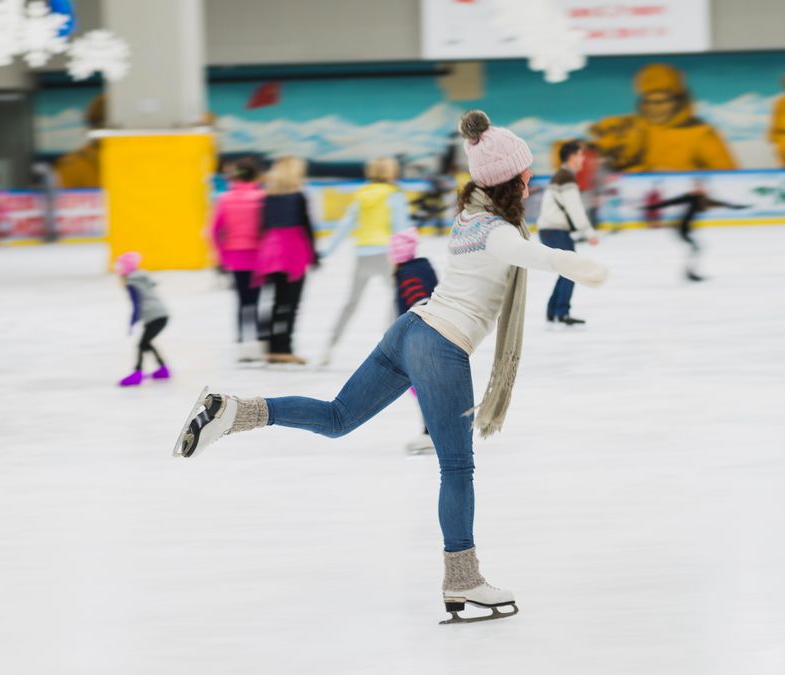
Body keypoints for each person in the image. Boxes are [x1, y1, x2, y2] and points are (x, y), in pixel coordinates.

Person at [171, 110, 609, 624]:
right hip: (440, 345)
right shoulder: (494, 229)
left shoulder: (470, 214)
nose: (531, 179)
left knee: (338, 418)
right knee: (457, 468)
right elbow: (523, 252)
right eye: (525, 172)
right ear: (511, 180)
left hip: (409, 331)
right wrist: (573, 264)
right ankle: (464, 578)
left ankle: (233, 410)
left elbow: (512, 245)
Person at [320, 157, 412, 366]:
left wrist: (326, 251)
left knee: (351, 303)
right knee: (398, 298)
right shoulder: (394, 196)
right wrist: (408, 256)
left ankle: (329, 347)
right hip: (385, 255)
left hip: (363, 255)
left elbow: (345, 225)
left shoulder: (361, 195)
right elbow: (402, 227)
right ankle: (393, 347)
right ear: (391, 173)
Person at [588, 63, 736, 172]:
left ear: (678, 101)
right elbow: (588, 154)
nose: (653, 107)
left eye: (660, 102)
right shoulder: (629, 127)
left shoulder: (701, 134)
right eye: (647, 101)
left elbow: (728, 177)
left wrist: (675, 177)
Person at [255, 156, 317, 365]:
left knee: (274, 302)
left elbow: (261, 226)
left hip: (270, 251)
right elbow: (307, 227)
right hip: (293, 251)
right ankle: (284, 348)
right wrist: (314, 254)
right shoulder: (298, 197)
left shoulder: (267, 197)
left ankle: (271, 346)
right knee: (289, 304)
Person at [535, 141, 600, 326]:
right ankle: (561, 313)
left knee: (566, 271)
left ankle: (553, 311)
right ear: (572, 157)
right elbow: (575, 208)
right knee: (571, 270)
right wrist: (588, 232)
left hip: (549, 230)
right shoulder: (566, 178)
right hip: (555, 230)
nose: (583, 159)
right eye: (580, 155)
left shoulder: (560, 176)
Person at [389, 228, 441, 454]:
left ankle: (433, 432)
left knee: (423, 386)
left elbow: (419, 302)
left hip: (421, 338)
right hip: (434, 333)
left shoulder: (407, 275)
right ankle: (435, 429)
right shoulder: (423, 267)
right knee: (424, 386)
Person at [210, 158, 266, 363]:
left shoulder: (224, 199)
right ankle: (259, 340)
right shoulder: (261, 197)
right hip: (258, 257)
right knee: (257, 300)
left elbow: (215, 231)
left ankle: (242, 341)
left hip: (235, 257)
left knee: (242, 301)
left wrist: (222, 255)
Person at [646, 181, 747, 282]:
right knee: (696, 248)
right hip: (681, 228)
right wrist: (651, 207)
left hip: (685, 228)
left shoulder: (704, 199)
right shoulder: (690, 197)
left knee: (696, 249)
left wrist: (737, 207)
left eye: (700, 187)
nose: (698, 189)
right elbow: (670, 202)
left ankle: (690, 273)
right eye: (696, 187)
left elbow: (722, 204)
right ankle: (689, 273)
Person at [115, 252, 170, 387]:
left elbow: (136, 304)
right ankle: (163, 369)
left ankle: (137, 373)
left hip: (154, 316)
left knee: (141, 345)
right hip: (161, 314)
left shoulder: (131, 283)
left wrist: (132, 322)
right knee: (146, 343)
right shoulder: (142, 277)